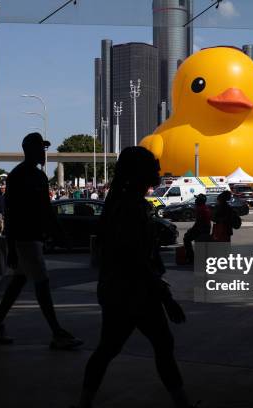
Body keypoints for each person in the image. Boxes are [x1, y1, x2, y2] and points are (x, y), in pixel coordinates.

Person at [73, 146, 195, 408]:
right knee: (158, 345)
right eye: (153, 166)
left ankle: (84, 403)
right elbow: (136, 259)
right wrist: (165, 297)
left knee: (110, 348)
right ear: (139, 173)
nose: (158, 171)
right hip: (134, 293)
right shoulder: (130, 208)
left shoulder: (122, 203)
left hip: (120, 290)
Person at [0, 133, 82, 349]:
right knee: (42, 284)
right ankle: (57, 333)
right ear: (29, 150)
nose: (43, 152)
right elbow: (13, 212)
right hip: (26, 239)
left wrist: (58, 234)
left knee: (18, 282)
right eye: (40, 148)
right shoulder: (20, 176)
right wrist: (11, 247)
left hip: (31, 237)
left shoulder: (37, 177)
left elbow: (45, 211)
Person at [183, 194, 212, 263]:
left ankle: (191, 258)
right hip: (205, 228)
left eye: (197, 199)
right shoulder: (205, 207)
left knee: (186, 239)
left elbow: (199, 222)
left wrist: (191, 230)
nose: (195, 200)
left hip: (202, 229)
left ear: (200, 201)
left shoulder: (200, 209)